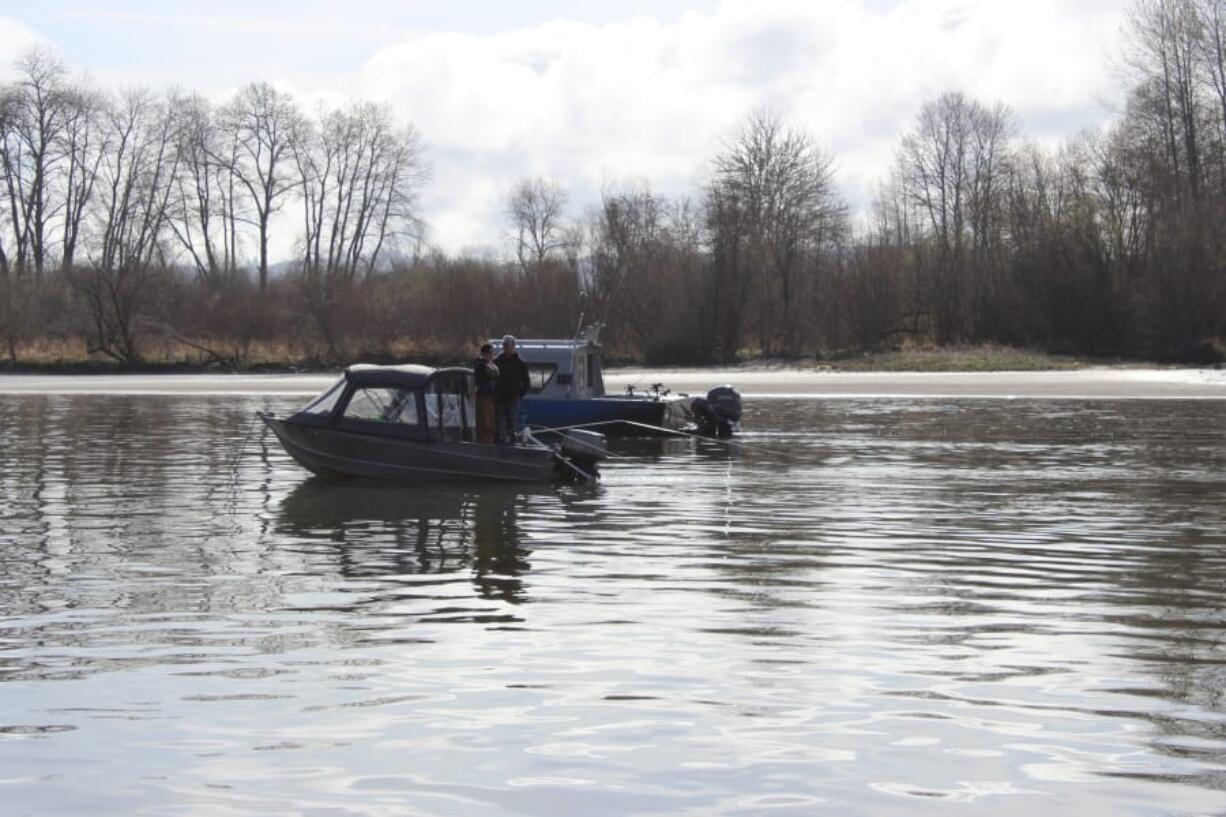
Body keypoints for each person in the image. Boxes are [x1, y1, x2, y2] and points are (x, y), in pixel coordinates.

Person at [494, 334, 530, 444]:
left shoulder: (520, 363)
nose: (505, 347)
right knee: (498, 423)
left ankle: (511, 444)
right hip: (499, 398)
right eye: (504, 345)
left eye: (507, 345)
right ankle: (497, 443)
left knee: (512, 424)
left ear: (513, 346)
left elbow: (526, 381)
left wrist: (520, 394)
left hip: (513, 398)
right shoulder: (497, 361)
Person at [473, 342, 500, 444]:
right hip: (483, 396)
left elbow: (496, 376)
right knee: (484, 424)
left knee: (492, 425)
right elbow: (484, 375)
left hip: (492, 397)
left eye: (492, 353)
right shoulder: (480, 364)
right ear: (484, 354)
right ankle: (483, 444)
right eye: (490, 353)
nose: (492, 355)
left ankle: (490, 443)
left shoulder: (492, 365)